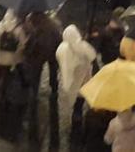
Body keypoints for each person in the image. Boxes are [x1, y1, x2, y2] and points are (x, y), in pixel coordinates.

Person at [23, 11, 64, 144]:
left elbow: (29, 42)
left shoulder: (33, 24)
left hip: (37, 58)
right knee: (53, 75)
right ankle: (54, 89)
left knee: (35, 79)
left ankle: (33, 96)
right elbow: (59, 40)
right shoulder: (54, 24)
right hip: (52, 55)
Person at [57, 24, 99, 135]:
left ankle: (75, 127)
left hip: (69, 84)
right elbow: (93, 58)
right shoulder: (84, 47)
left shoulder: (61, 48)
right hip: (83, 83)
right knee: (79, 106)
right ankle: (78, 127)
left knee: (75, 106)